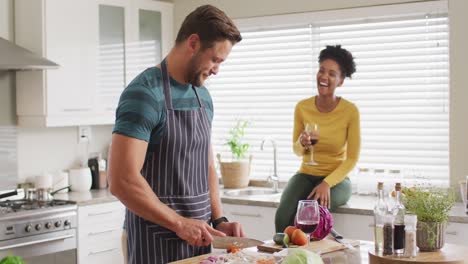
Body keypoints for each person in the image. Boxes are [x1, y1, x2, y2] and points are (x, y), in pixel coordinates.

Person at [107, 5, 244, 264]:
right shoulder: (145, 94)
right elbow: (121, 180)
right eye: (215, 59)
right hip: (154, 244)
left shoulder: (202, 95)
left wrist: (219, 220)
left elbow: (206, 165)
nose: (217, 70)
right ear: (193, 43)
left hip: (199, 244)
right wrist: (180, 224)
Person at [275, 45, 360, 232]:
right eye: (321, 70)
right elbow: (296, 150)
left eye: (331, 74)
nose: (324, 77)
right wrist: (302, 143)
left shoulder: (350, 111)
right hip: (306, 174)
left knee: (310, 212)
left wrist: (326, 183)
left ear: (340, 81)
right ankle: (284, 257)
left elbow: (352, 158)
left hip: (336, 180)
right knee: (283, 216)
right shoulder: (302, 107)